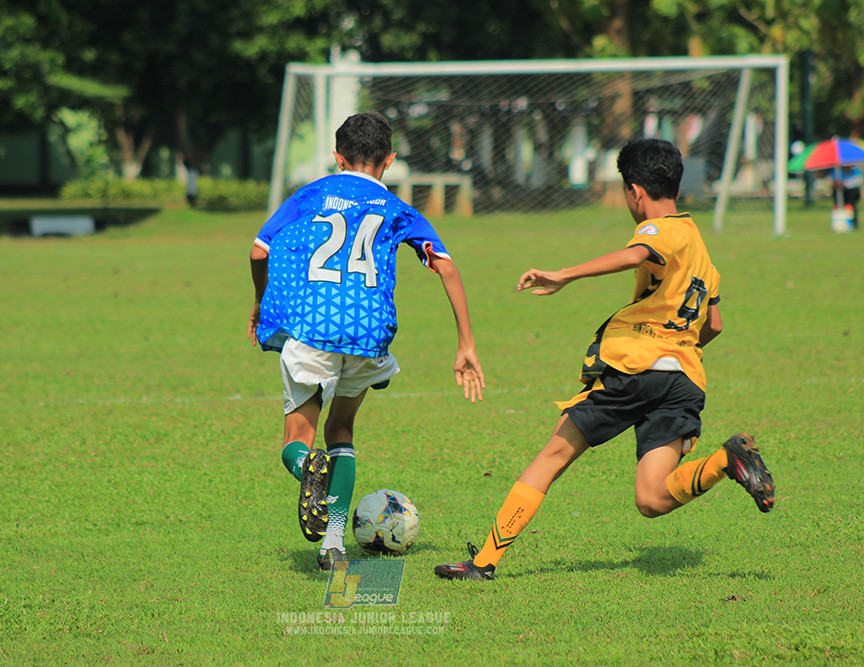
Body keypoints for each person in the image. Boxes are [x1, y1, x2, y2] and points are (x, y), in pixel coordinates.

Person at [434, 138, 775, 581]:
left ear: (635, 191)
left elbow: (637, 253)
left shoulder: (660, 230)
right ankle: (725, 462)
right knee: (652, 498)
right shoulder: (701, 252)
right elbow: (714, 325)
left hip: (636, 367)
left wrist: (565, 274)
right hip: (684, 379)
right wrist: (674, 351)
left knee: (552, 456)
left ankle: (483, 563)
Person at [248, 112, 486, 570]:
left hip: (314, 326)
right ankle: (333, 544)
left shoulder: (309, 195)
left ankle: (306, 469)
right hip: (368, 330)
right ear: (390, 160)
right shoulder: (398, 209)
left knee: (298, 439)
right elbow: (448, 267)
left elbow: (259, 249)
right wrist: (466, 344)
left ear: (336, 157)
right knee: (342, 432)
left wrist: (260, 301)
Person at [831, 165, 861, 230]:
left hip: (852, 193)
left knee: (851, 207)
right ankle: (839, 224)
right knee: (838, 207)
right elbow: (831, 180)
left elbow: (856, 182)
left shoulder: (856, 172)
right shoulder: (837, 172)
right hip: (840, 192)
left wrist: (844, 184)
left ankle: (853, 224)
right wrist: (836, 184)